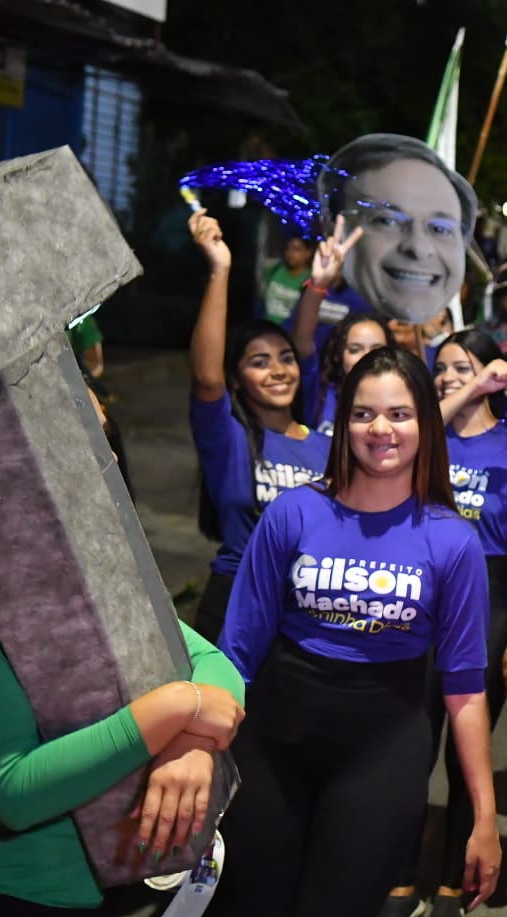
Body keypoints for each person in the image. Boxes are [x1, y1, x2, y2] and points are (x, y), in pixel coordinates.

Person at [211, 347, 500, 917]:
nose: (381, 429)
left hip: (381, 754)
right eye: (365, 414)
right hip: (270, 749)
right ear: (343, 424)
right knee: (263, 913)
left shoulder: (452, 541)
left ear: (425, 421)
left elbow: (465, 688)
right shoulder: (293, 514)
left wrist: (485, 817)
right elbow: (236, 653)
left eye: (399, 413)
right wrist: (197, 752)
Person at [0, 388, 247, 917]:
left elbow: (217, 673)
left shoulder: (86, 569)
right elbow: (12, 791)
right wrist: (177, 708)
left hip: (98, 889)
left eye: (97, 429)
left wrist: (193, 745)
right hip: (22, 894)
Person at [378, 331, 507, 917]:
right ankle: (400, 881)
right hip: (421, 600)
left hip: (490, 602)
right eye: (441, 368)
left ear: (494, 373)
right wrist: (469, 387)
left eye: (462, 366)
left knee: (465, 759)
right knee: (411, 749)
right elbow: (416, 432)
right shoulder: (425, 441)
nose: (448, 376)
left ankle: (451, 883)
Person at [188, 209, 331, 643]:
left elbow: (304, 342)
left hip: (305, 608)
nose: (277, 370)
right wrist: (220, 268)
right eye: (258, 361)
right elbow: (206, 378)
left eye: (285, 359)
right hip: (233, 602)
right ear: (236, 378)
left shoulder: (325, 447)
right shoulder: (228, 438)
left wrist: (319, 283)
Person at [317, 134, 478, 324]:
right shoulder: (321, 317)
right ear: (330, 226)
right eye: (387, 221)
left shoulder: (453, 348)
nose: (418, 248)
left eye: (440, 229)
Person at [259, 235, 315, 324]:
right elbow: (261, 302)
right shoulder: (275, 270)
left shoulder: (310, 280)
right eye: (288, 248)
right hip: (266, 329)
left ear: (308, 253)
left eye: (296, 249)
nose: (290, 253)